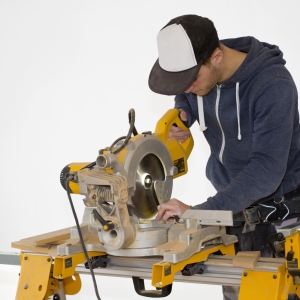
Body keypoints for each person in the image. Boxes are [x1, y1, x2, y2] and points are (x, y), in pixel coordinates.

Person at [148, 14, 300, 300]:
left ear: (216, 56)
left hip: (282, 219)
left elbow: (266, 171)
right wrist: (185, 112)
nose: (187, 88)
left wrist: (200, 213)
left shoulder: (273, 85)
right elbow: (186, 93)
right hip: (232, 210)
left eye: (191, 80)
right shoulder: (202, 74)